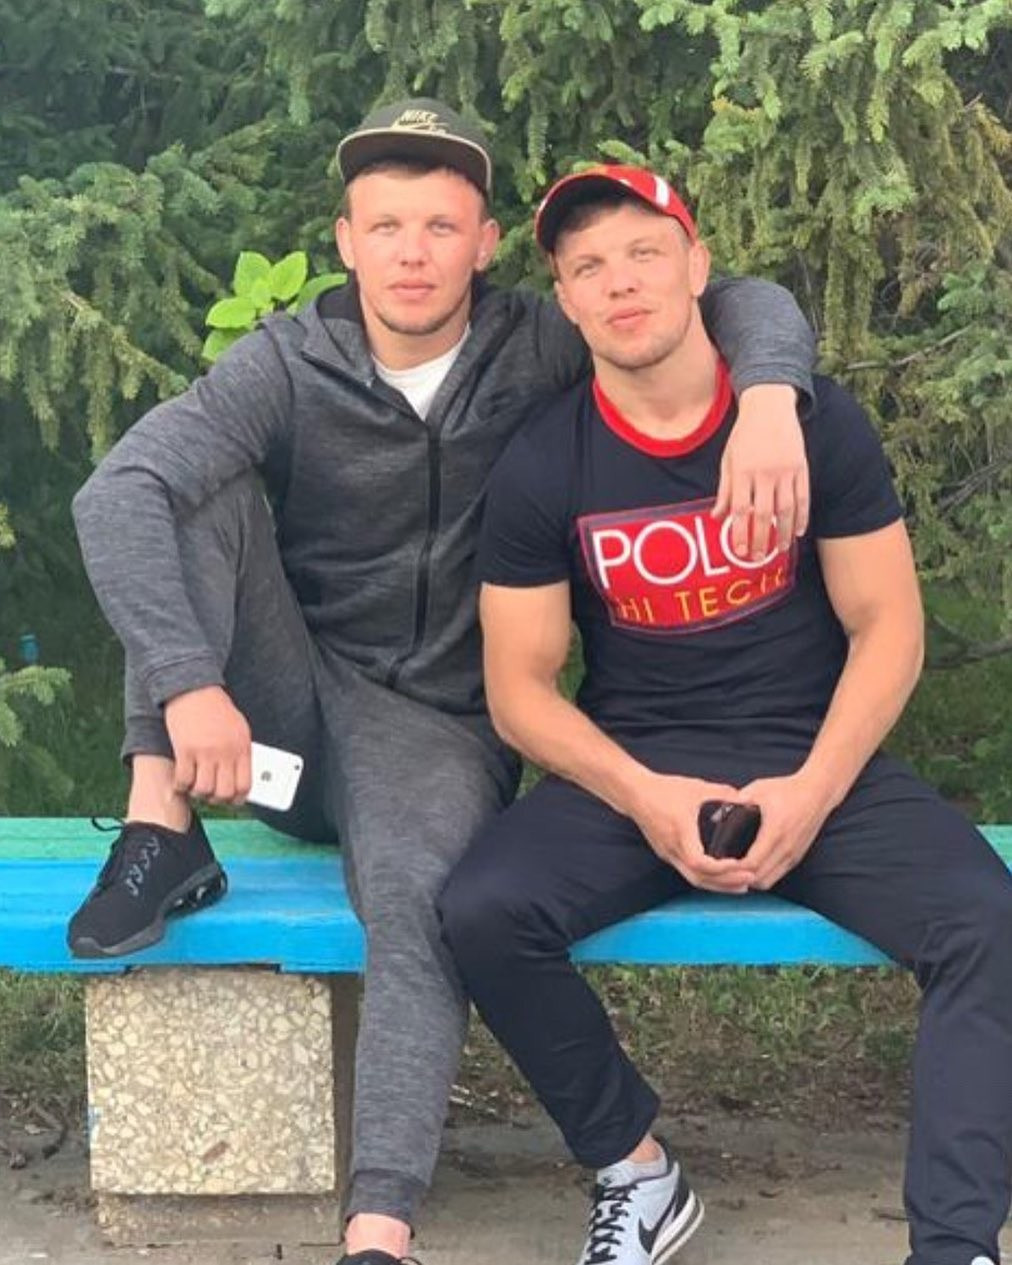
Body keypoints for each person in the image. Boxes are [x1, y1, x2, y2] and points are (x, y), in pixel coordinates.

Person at [68, 99, 819, 1265]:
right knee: (180, 487)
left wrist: (768, 395)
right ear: (346, 240)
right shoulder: (286, 360)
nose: (411, 253)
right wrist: (186, 684)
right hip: (280, 714)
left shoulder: (537, 344)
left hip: (436, 731)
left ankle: (378, 1230)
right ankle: (160, 825)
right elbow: (114, 494)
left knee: (418, 898)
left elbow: (742, 302)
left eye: (439, 226)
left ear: (483, 243)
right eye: (386, 226)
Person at [438, 164, 1012, 1265]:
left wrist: (815, 790)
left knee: (985, 920)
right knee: (481, 907)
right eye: (588, 266)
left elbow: (888, 628)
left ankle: (954, 1243)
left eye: (644, 253)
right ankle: (637, 1170)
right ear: (566, 299)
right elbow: (520, 689)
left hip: (813, 755)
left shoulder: (812, 425)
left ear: (698, 267)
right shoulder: (545, 460)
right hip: (644, 764)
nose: (621, 282)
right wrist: (643, 796)